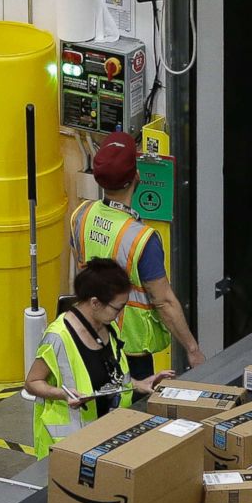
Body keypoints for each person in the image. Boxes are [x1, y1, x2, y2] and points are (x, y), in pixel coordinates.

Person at [70, 131, 206, 379]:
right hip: (130, 351)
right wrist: (192, 349)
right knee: (132, 415)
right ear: (136, 176)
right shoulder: (142, 239)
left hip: (88, 338)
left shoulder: (81, 215)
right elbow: (164, 301)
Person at [25, 257, 176, 459]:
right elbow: (32, 382)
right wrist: (64, 394)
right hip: (71, 447)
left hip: (109, 438)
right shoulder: (58, 337)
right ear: (95, 302)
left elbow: (109, 378)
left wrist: (139, 384)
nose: (120, 314)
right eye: (117, 308)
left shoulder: (108, 327)